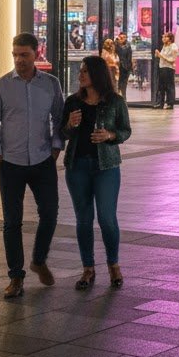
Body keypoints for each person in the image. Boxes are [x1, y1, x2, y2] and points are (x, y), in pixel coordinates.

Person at [0, 33, 64, 299]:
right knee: (12, 222)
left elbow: (59, 117)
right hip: (11, 163)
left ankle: (39, 260)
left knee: (50, 213)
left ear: (36, 53)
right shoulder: (0, 87)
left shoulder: (51, 84)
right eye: (15, 54)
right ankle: (16, 277)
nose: (19, 60)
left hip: (43, 161)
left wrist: (55, 148)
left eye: (24, 55)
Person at [61, 54, 131, 290]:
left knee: (107, 218)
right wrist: (70, 124)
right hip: (77, 166)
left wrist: (110, 136)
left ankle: (113, 265)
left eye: (84, 71)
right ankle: (88, 268)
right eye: (80, 71)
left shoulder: (115, 101)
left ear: (97, 75)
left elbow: (125, 130)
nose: (79, 75)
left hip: (106, 167)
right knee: (83, 219)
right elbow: (63, 134)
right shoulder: (72, 102)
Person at [153, 31, 178, 110]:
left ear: (170, 38)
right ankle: (160, 103)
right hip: (162, 67)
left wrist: (161, 55)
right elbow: (161, 57)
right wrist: (157, 55)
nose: (163, 39)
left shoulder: (173, 47)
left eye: (165, 37)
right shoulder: (164, 46)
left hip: (169, 68)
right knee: (161, 86)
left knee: (169, 86)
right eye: (163, 37)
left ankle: (170, 103)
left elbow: (172, 60)